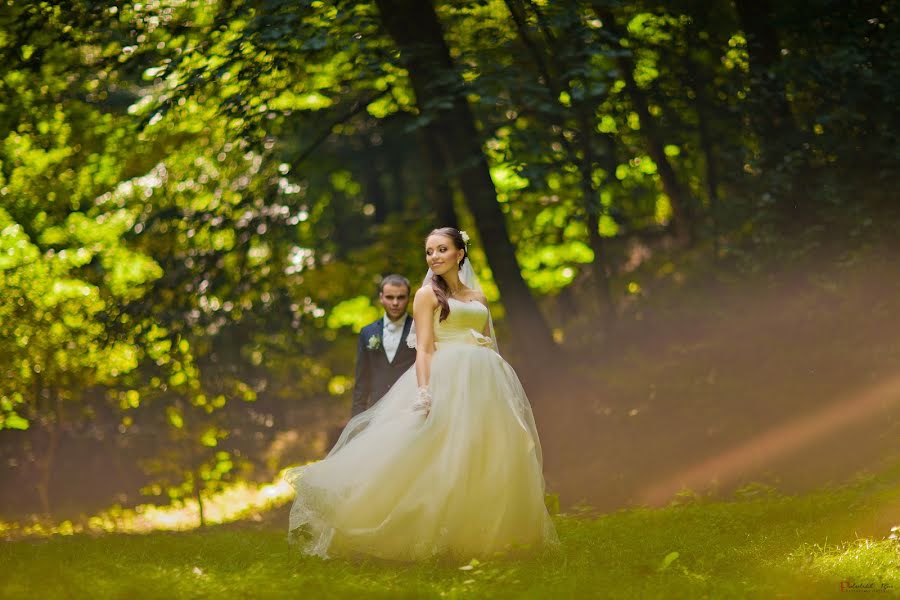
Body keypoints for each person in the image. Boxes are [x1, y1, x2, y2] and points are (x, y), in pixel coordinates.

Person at [284, 227, 558, 561]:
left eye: (442, 249)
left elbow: (487, 339)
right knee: (438, 452)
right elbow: (425, 349)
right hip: (448, 376)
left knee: (486, 450)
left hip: (485, 379)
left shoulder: (479, 298)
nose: (435, 257)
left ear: (460, 253)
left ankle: (485, 536)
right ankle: (414, 530)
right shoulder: (427, 295)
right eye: (429, 251)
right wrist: (425, 392)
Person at [351, 274, 416, 418]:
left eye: (400, 297)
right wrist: (356, 420)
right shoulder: (367, 332)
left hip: (409, 410)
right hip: (376, 411)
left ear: (408, 298)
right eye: (389, 297)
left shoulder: (418, 329)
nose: (395, 303)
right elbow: (362, 381)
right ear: (381, 297)